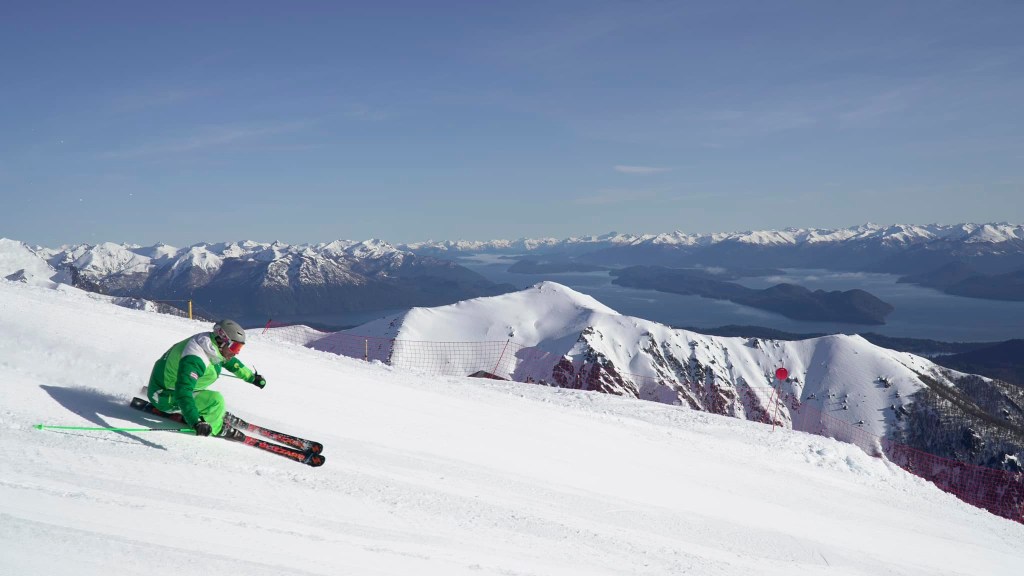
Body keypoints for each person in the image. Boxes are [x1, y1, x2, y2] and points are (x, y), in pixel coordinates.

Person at [147, 319, 267, 437]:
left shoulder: (210, 345)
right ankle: (217, 427)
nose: (236, 352)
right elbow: (183, 392)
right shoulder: (195, 359)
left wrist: (251, 377)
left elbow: (230, 362)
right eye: (235, 347)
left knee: (214, 401)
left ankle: (209, 410)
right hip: (163, 396)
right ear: (223, 341)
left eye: (239, 348)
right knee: (216, 400)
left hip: (171, 388)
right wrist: (196, 421)